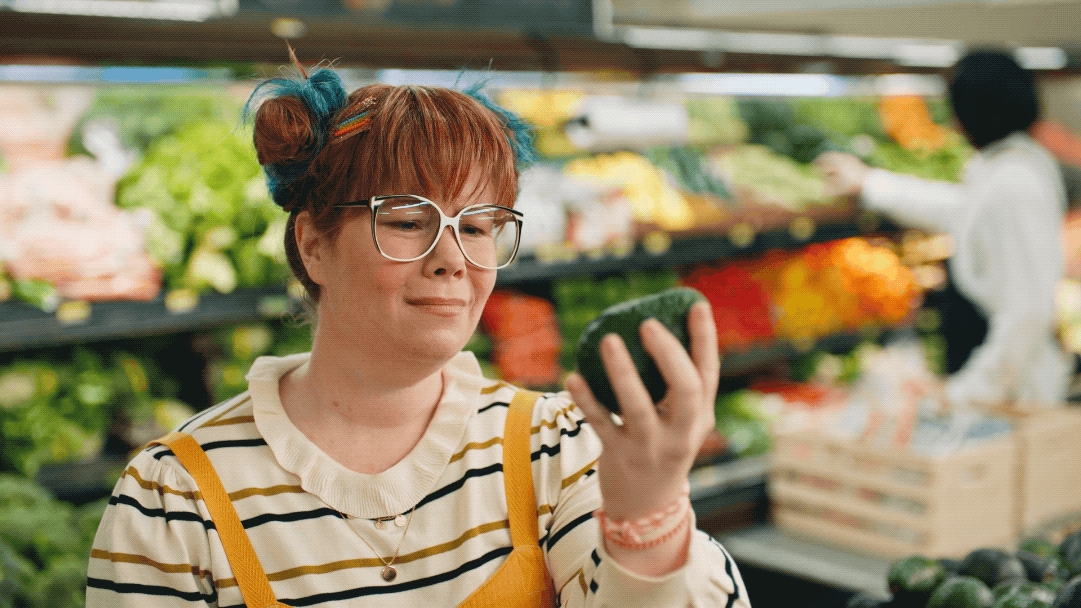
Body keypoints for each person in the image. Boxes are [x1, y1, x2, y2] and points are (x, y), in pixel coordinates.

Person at [86, 55, 750, 607]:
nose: (452, 256)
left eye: (479, 225)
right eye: (407, 220)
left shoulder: (556, 445)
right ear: (313, 244)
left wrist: (647, 514)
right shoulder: (172, 494)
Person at [817, 49, 1071, 408]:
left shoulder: (1015, 183)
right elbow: (963, 210)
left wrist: (968, 390)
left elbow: (1027, 312)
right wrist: (870, 184)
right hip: (1008, 378)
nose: (952, 124)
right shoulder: (1005, 166)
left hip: (1017, 390)